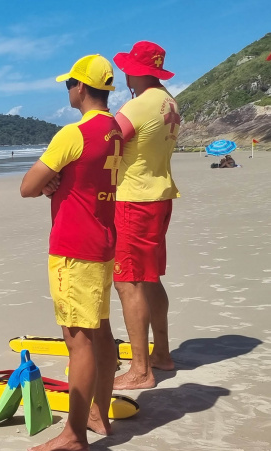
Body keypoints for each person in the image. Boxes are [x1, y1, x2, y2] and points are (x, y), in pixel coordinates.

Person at [19, 54, 122, 451]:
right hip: (103, 238)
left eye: (69, 85)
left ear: (80, 87)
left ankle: (74, 433)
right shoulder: (115, 130)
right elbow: (85, 175)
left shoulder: (73, 134)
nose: (68, 91)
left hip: (74, 247)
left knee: (78, 340)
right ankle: (99, 413)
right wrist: (58, 183)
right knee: (100, 330)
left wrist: (48, 184)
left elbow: (28, 186)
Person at [110, 41, 179, 390]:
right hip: (160, 194)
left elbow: (104, 143)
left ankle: (140, 370)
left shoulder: (137, 106)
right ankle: (161, 353)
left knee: (128, 281)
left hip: (133, 199)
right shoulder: (169, 101)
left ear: (133, 71)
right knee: (149, 277)